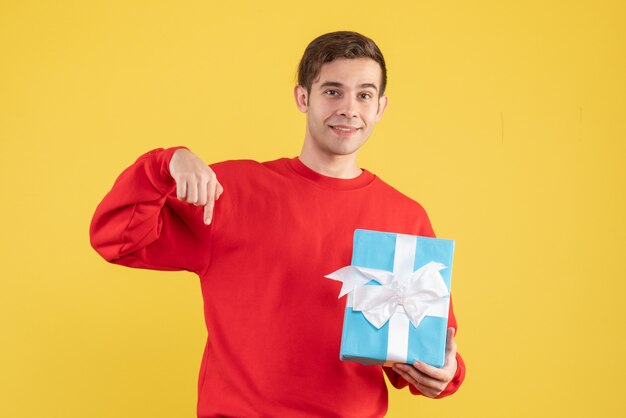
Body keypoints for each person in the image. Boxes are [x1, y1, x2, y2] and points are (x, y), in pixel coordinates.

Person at [90, 30, 466, 417]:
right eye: (333, 91)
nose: (349, 109)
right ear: (303, 97)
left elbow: (432, 350)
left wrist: (444, 372)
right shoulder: (229, 192)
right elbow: (116, 238)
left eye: (364, 94)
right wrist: (164, 164)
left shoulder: (404, 216)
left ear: (381, 107)